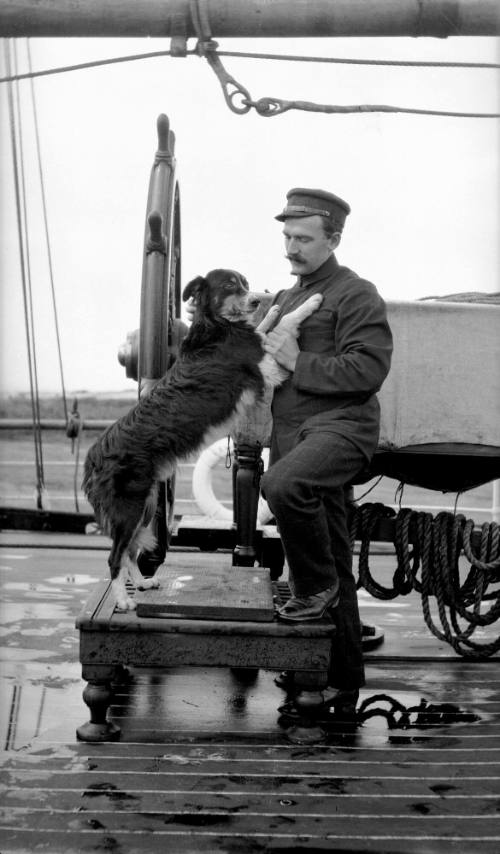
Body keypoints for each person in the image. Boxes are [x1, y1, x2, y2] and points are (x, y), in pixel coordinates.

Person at [260, 188, 393, 708]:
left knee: (284, 486)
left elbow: (368, 369)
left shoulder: (356, 293)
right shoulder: (287, 297)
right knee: (335, 555)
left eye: (304, 238)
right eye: (287, 237)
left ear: (334, 238)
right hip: (295, 434)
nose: (292, 248)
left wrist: (296, 360)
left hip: (342, 428)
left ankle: (311, 593)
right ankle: (340, 676)